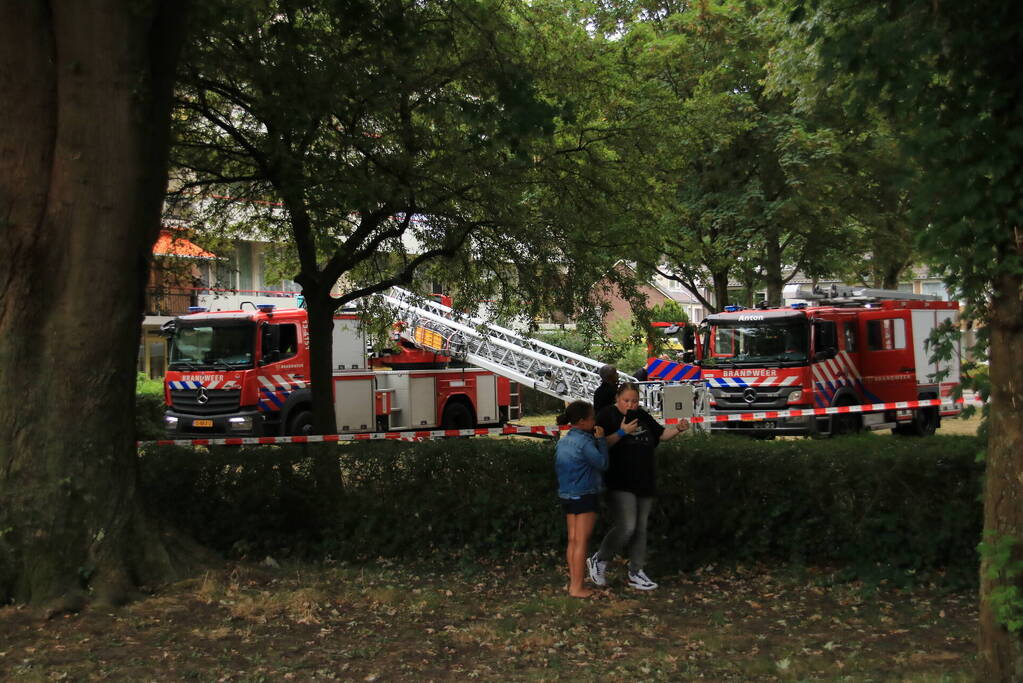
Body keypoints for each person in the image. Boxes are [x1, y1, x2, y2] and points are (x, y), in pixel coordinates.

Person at [588, 383, 689, 591]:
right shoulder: (607, 415)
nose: (631, 405)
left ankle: (636, 571)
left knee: (640, 528)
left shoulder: (642, 415)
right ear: (617, 398)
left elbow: (661, 435)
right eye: (626, 401)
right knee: (627, 526)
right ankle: (600, 559)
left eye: (635, 401)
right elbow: (599, 443)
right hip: (620, 480)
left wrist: (678, 429)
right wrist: (622, 432)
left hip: (644, 479)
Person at [555, 400, 609, 598]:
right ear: (582, 421)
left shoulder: (563, 441)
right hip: (585, 494)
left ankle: (573, 584)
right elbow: (602, 463)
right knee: (581, 542)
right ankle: (578, 587)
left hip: (567, 494)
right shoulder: (585, 443)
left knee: (573, 540)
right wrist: (601, 440)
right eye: (592, 418)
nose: (595, 421)